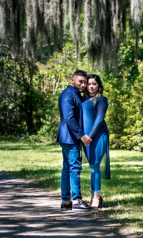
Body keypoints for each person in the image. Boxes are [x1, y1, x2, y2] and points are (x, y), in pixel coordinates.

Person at [57, 69, 92, 211]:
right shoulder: (67, 95)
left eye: (85, 82)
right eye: (80, 82)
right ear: (72, 80)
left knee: (67, 168)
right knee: (75, 168)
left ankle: (66, 202)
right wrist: (82, 136)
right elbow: (69, 118)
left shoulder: (76, 95)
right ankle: (76, 200)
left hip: (69, 137)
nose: (83, 85)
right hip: (70, 138)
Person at [81, 74, 111, 209]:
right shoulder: (84, 100)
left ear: (99, 86)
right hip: (86, 137)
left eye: (94, 84)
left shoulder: (102, 100)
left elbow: (99, 119)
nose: (91, 86)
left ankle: (96, 197)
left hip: (97, 136)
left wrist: (89, 136)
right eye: (89, 84)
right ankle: (93, 195)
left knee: (95, 166)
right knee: (92, 167)